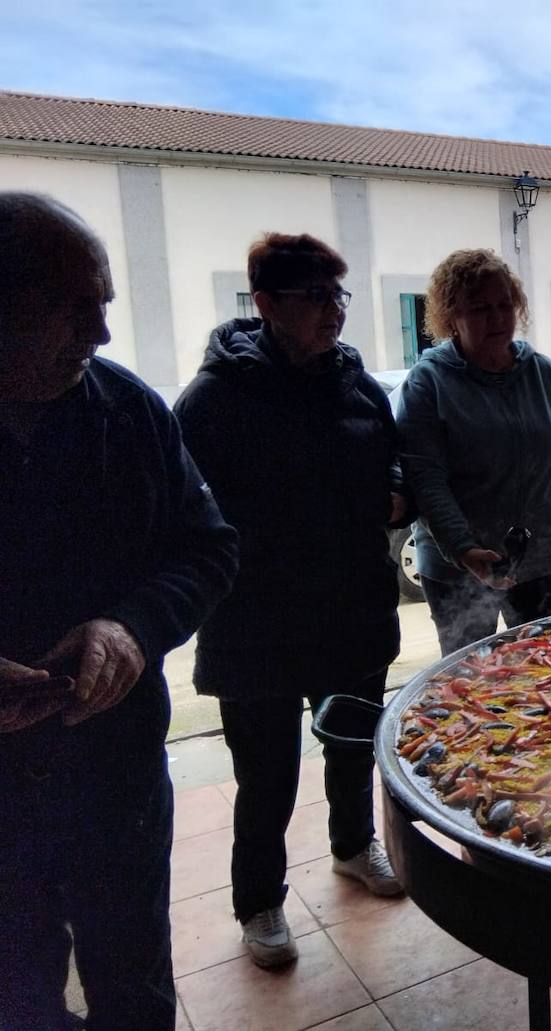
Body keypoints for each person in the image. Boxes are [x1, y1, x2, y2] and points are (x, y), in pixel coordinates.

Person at [0, 192, 238, 1030]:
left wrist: (129, 627)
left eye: (105, 307)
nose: (100, 335)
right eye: (75, 309)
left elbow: (208, 548)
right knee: (17, 990)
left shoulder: (128, 412)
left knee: (135, 986)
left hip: (115, 773)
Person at [175, 233, 408, 970]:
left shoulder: (356, 383)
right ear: (268, 304)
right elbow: (189, 515)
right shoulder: (213, 400)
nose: (335, 311)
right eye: (317, 296)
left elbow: (392, 459)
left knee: (350, 749)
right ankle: (261, 901)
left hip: (351, 611)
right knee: (267, 775)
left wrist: (397, 493)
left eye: (339, 295)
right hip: (257, 624)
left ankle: (350, 847)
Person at [395, 249, 551, 655]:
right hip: (458, 567)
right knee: (471, 685)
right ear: (451, 316)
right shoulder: (429, 382)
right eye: (480, 308)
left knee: (549, 674)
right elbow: (426, 480)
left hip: (541, 563)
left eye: (505, 305)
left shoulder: (546, 374)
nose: (497, 318)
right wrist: (462, 547)